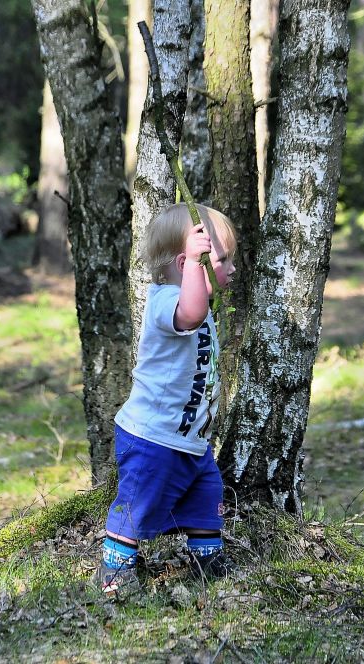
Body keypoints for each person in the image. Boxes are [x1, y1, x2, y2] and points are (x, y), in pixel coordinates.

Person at [95, 202, 237, 597]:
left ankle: (207, 563)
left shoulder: (200, 304)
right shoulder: (166, 302)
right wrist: (196, 262)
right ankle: (114, 574)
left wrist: (199, 267)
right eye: (221, 260)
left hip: (190, 441)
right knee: (138, 504)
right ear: (185, 263)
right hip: (152, 438)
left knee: (206, 498)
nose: (231, 268)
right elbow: (189, 315)